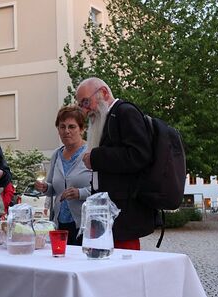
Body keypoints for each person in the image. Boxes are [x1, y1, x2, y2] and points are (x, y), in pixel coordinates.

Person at [76, 77, 155, 250]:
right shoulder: (107, 117)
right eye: (80, 105)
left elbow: (139, 155)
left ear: (103, 93)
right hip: (108, 212)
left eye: (86, 102)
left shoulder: (125, 112)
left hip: (124, 213)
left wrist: (95, 157)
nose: (84, 109)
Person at [35, 105, 91, 245]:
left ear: (82, 129)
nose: (66, 131)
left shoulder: (92, 153)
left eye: (72, 127)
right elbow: (52, 188)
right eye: (62, 127)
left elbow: (103, 188)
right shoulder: (56, 155)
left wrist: (80, 193)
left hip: (85, 225)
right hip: (60, 224)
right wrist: (44, 187)